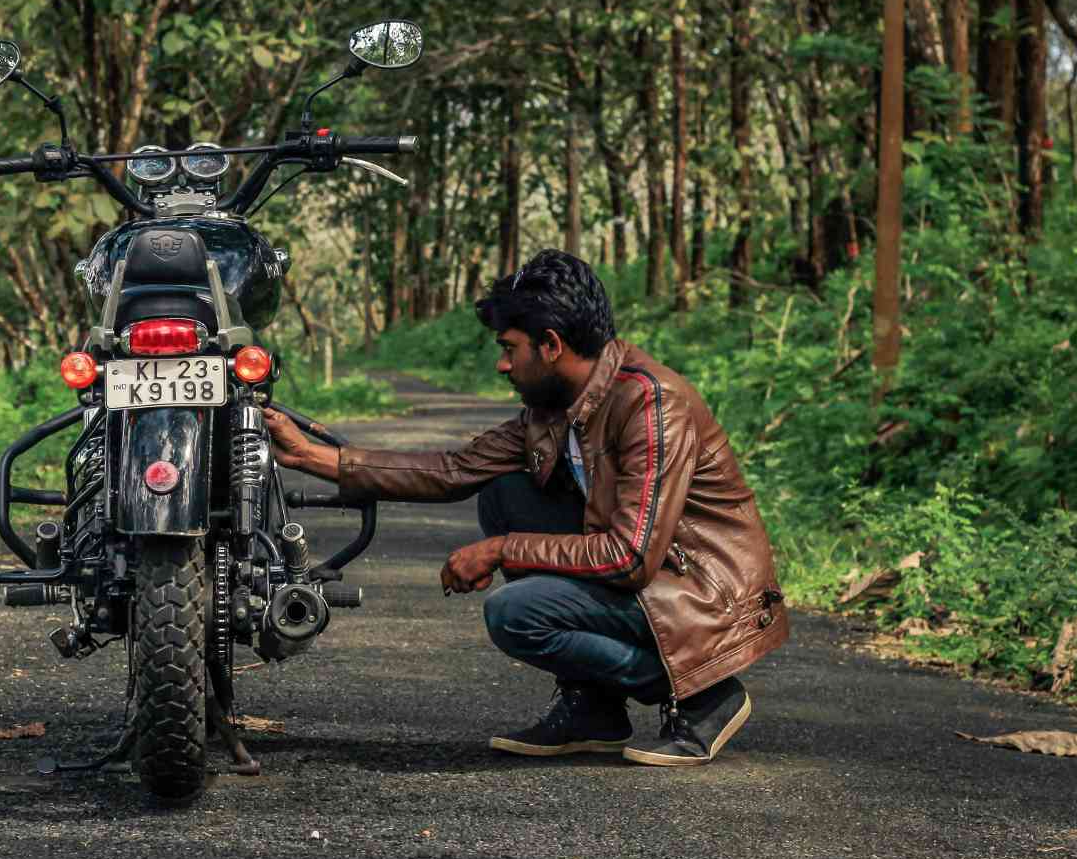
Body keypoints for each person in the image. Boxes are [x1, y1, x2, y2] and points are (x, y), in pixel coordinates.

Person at [262, 249, 789, 766]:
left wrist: (502, 549)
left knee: (515, 613)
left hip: (698, 592)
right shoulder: (554, 406)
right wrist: (312, 455)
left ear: (552, 344)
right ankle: (595, 710)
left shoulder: (650, 403)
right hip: (649, 580)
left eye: (511, 348)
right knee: (503, 489)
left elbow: (630, 557)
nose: (502, 364)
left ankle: (703, 696)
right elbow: (454, 469)